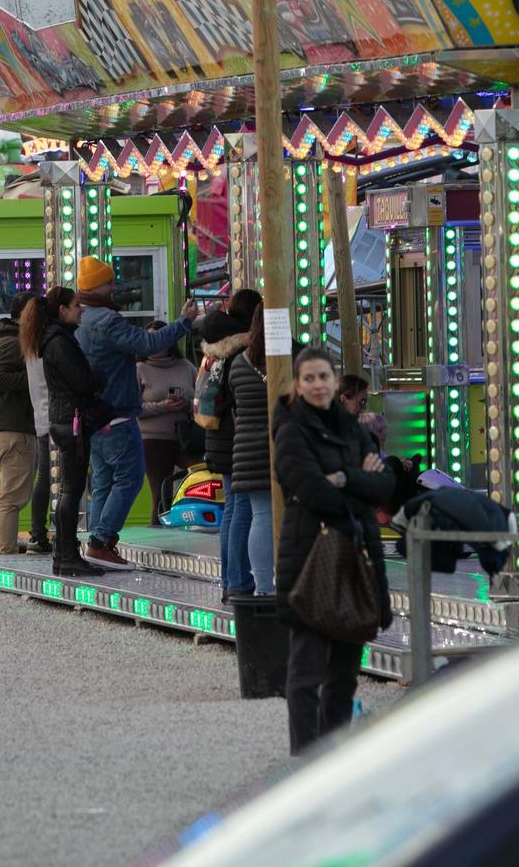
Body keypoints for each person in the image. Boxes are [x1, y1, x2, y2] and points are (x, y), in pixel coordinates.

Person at [273, 347, 392, 755]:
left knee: (345, 673)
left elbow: (385, 484)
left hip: (357, 556)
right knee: (306, 671)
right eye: (309, 378)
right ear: (297, 385)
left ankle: (332, 755)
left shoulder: (352, 429)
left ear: (335, 380)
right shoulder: (290, 431)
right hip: (310, 556)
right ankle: (304, 758)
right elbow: (310, 490)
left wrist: (343, 477)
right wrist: (358, 481)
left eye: (324, 376)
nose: (318, 384)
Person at [73, 256, 197, 566]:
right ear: (98, 286)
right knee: (129, 479)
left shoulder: (81, 321)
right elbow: (147, 343)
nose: (114, 286)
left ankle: (96, 541)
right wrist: (183, 323)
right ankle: (102, 540)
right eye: (109, 282)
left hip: (95, 417)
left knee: (102, 481)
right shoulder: (107, 321)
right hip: (117, 416)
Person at [34, 286, 106, 579]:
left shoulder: (53, 339)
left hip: (64, 419)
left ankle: (64, 554)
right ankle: (67, 554)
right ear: (62, 309)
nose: (81, 309)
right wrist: (99, 376)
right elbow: (81, 381)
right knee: (71, 490)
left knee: (68, 489)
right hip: (71, 421)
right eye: (76, 305)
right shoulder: (60, 342)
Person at [197, 290, 261, 597]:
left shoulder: (214, 349)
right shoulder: (243, 350)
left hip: (217, 436)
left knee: (232, 510)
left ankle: (230, 580)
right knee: (244, 510)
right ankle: (239, 581)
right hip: (239, 437)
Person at [0, 293, 38, 555]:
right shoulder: (12, 342)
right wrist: (34, 377)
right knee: (12, 500)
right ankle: (7, 555)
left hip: (8, 427)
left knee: (8, 496)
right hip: (13, 429)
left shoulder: (6, 338)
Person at [225, 306, 275, 596]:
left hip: (244, 448)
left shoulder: (239, 362)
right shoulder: (283, 360)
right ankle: (277, 586)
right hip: (277, 445)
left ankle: (264, 587)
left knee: (260, 515)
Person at [135, 335, 196, 524]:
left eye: (158, 339)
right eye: (149, 339)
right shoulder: (140, 369)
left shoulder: (186, 366)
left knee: (200, 478)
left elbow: (200, 396)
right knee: (161, 495)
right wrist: (163, 406)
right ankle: (159, 535)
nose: (154, 344)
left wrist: (186, 404)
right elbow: (134, 408)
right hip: (153, 439)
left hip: (186, 437)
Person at [18, 296, 55, 555]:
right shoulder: (50, 345)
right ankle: (52, 532)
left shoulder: (30, 345)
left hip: (41, 418)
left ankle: (37, 532)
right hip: (58, 417)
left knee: (44, 478)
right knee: (64, 479)